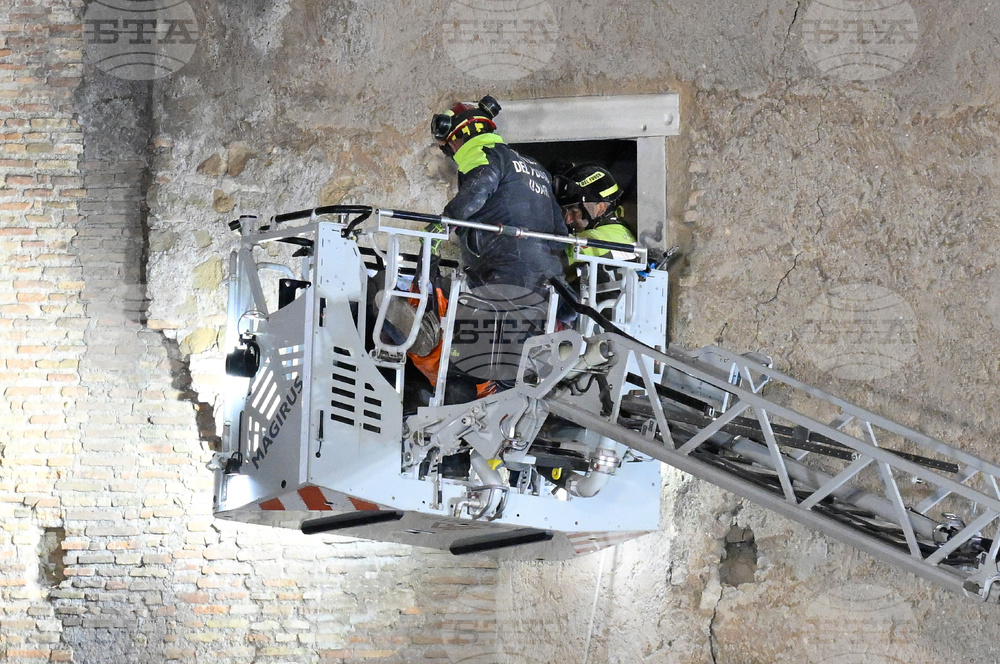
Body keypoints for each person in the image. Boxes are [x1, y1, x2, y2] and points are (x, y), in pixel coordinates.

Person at [431, 95, 568, 288]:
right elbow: (560, 230)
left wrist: (442, 224)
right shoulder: (536, 167)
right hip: (550, 275)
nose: (452, 154)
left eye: (449, 148)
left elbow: (478, 188)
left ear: (456, 138)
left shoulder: (482, 153)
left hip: (506, 270)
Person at [553, 163, 636, 266]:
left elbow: (545, 262)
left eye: (574, 212)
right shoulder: (624, 234)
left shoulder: (590, 239)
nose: (568, 220)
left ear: (600, 208)